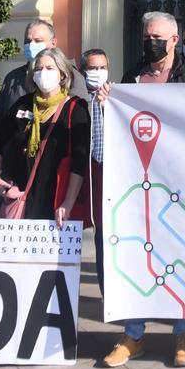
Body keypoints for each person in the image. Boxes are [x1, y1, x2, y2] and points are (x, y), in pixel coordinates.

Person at [103, 16, 185, 366]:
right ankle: (133, 335)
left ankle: (184, 333)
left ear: (175, 39)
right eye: (147, 36)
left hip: (181, 183)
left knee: (181, 253)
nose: (151, 42)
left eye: (157, 37)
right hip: (138, 182)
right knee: (136, 256)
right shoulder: (133, 77)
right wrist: (107, 98)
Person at [0, 18, 87, 214]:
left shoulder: (76, 102)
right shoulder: (18, 93)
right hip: (16, 188)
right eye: (39, 69)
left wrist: (68, 201)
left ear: (62, 74)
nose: (43, 73)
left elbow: (80, 154)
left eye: (49, 69)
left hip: (55, 195)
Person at [82, 47, 111, 279]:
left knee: (107, 230)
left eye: (102, 68)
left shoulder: (117, 95)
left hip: (110, 170)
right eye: (93, 68)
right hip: (85, 169)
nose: (98, 72)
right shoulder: (78, 98)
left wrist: (107, 104)